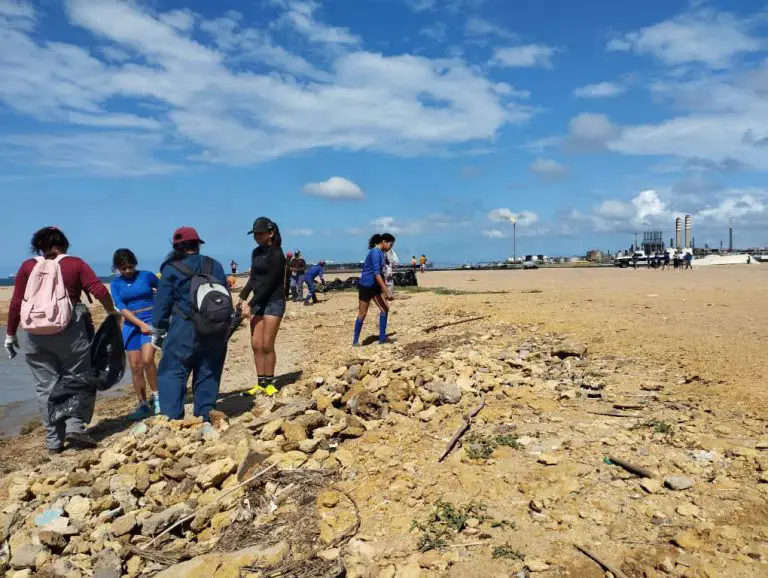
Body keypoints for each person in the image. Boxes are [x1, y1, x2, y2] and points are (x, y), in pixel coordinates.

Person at [5, 227, 117, 453]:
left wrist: (10, 334)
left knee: (45, 387)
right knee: (78, 377)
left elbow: (17, 303)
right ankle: (76, 428)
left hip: (36, 332)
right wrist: (111, 311)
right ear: (65, 244)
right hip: (71, 328)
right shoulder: (75, 263)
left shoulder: (28, 266)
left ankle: (54, 442)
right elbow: (98, 290)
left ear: (39, 247)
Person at [153, 227, 229, 433]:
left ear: (176, 247)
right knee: (209, 369)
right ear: (198, 244)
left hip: (184, 327)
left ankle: (172, 419)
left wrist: (158, 331)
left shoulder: (171, 269)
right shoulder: (215, 265)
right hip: (214, 327)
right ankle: (205, 416)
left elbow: (162, 304)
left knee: (173, 371)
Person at [239, 218, 286, 396]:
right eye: (255, 234)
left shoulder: (277, 254)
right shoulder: (256, 253)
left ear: (270, 233)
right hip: (258, 300)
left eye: (260, 233)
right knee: (256, 344)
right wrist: (243, 296)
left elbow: (269, 283)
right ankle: (260, 382)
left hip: (274, 301)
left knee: (267, 344)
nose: (257, 237)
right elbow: (254, 278)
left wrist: (250, 304)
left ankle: (270, 383)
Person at [110, 249, 160, 419]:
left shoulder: (147, 276)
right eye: (123, 269)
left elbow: (164, 291)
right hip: (132, 325)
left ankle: (157, 397)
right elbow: (120, 307)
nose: (128, 271)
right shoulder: (116, 284)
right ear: (117, 268)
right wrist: (140, 324)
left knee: (148, 360)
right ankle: (143, 404)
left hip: (151, 320)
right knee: (136, 367)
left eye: (130, 267)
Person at [353, 233, 396, 346]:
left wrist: (384, 288)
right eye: (391, 245)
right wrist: (386, 290)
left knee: (385, 309)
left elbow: (380, 274)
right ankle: (355, 341)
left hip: (375, 286)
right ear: (384, 242)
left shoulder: (381, 253)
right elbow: (376, 273)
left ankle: (382, 339)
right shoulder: (375, 252)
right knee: (362, 313)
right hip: (366, 286)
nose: (391, 247)